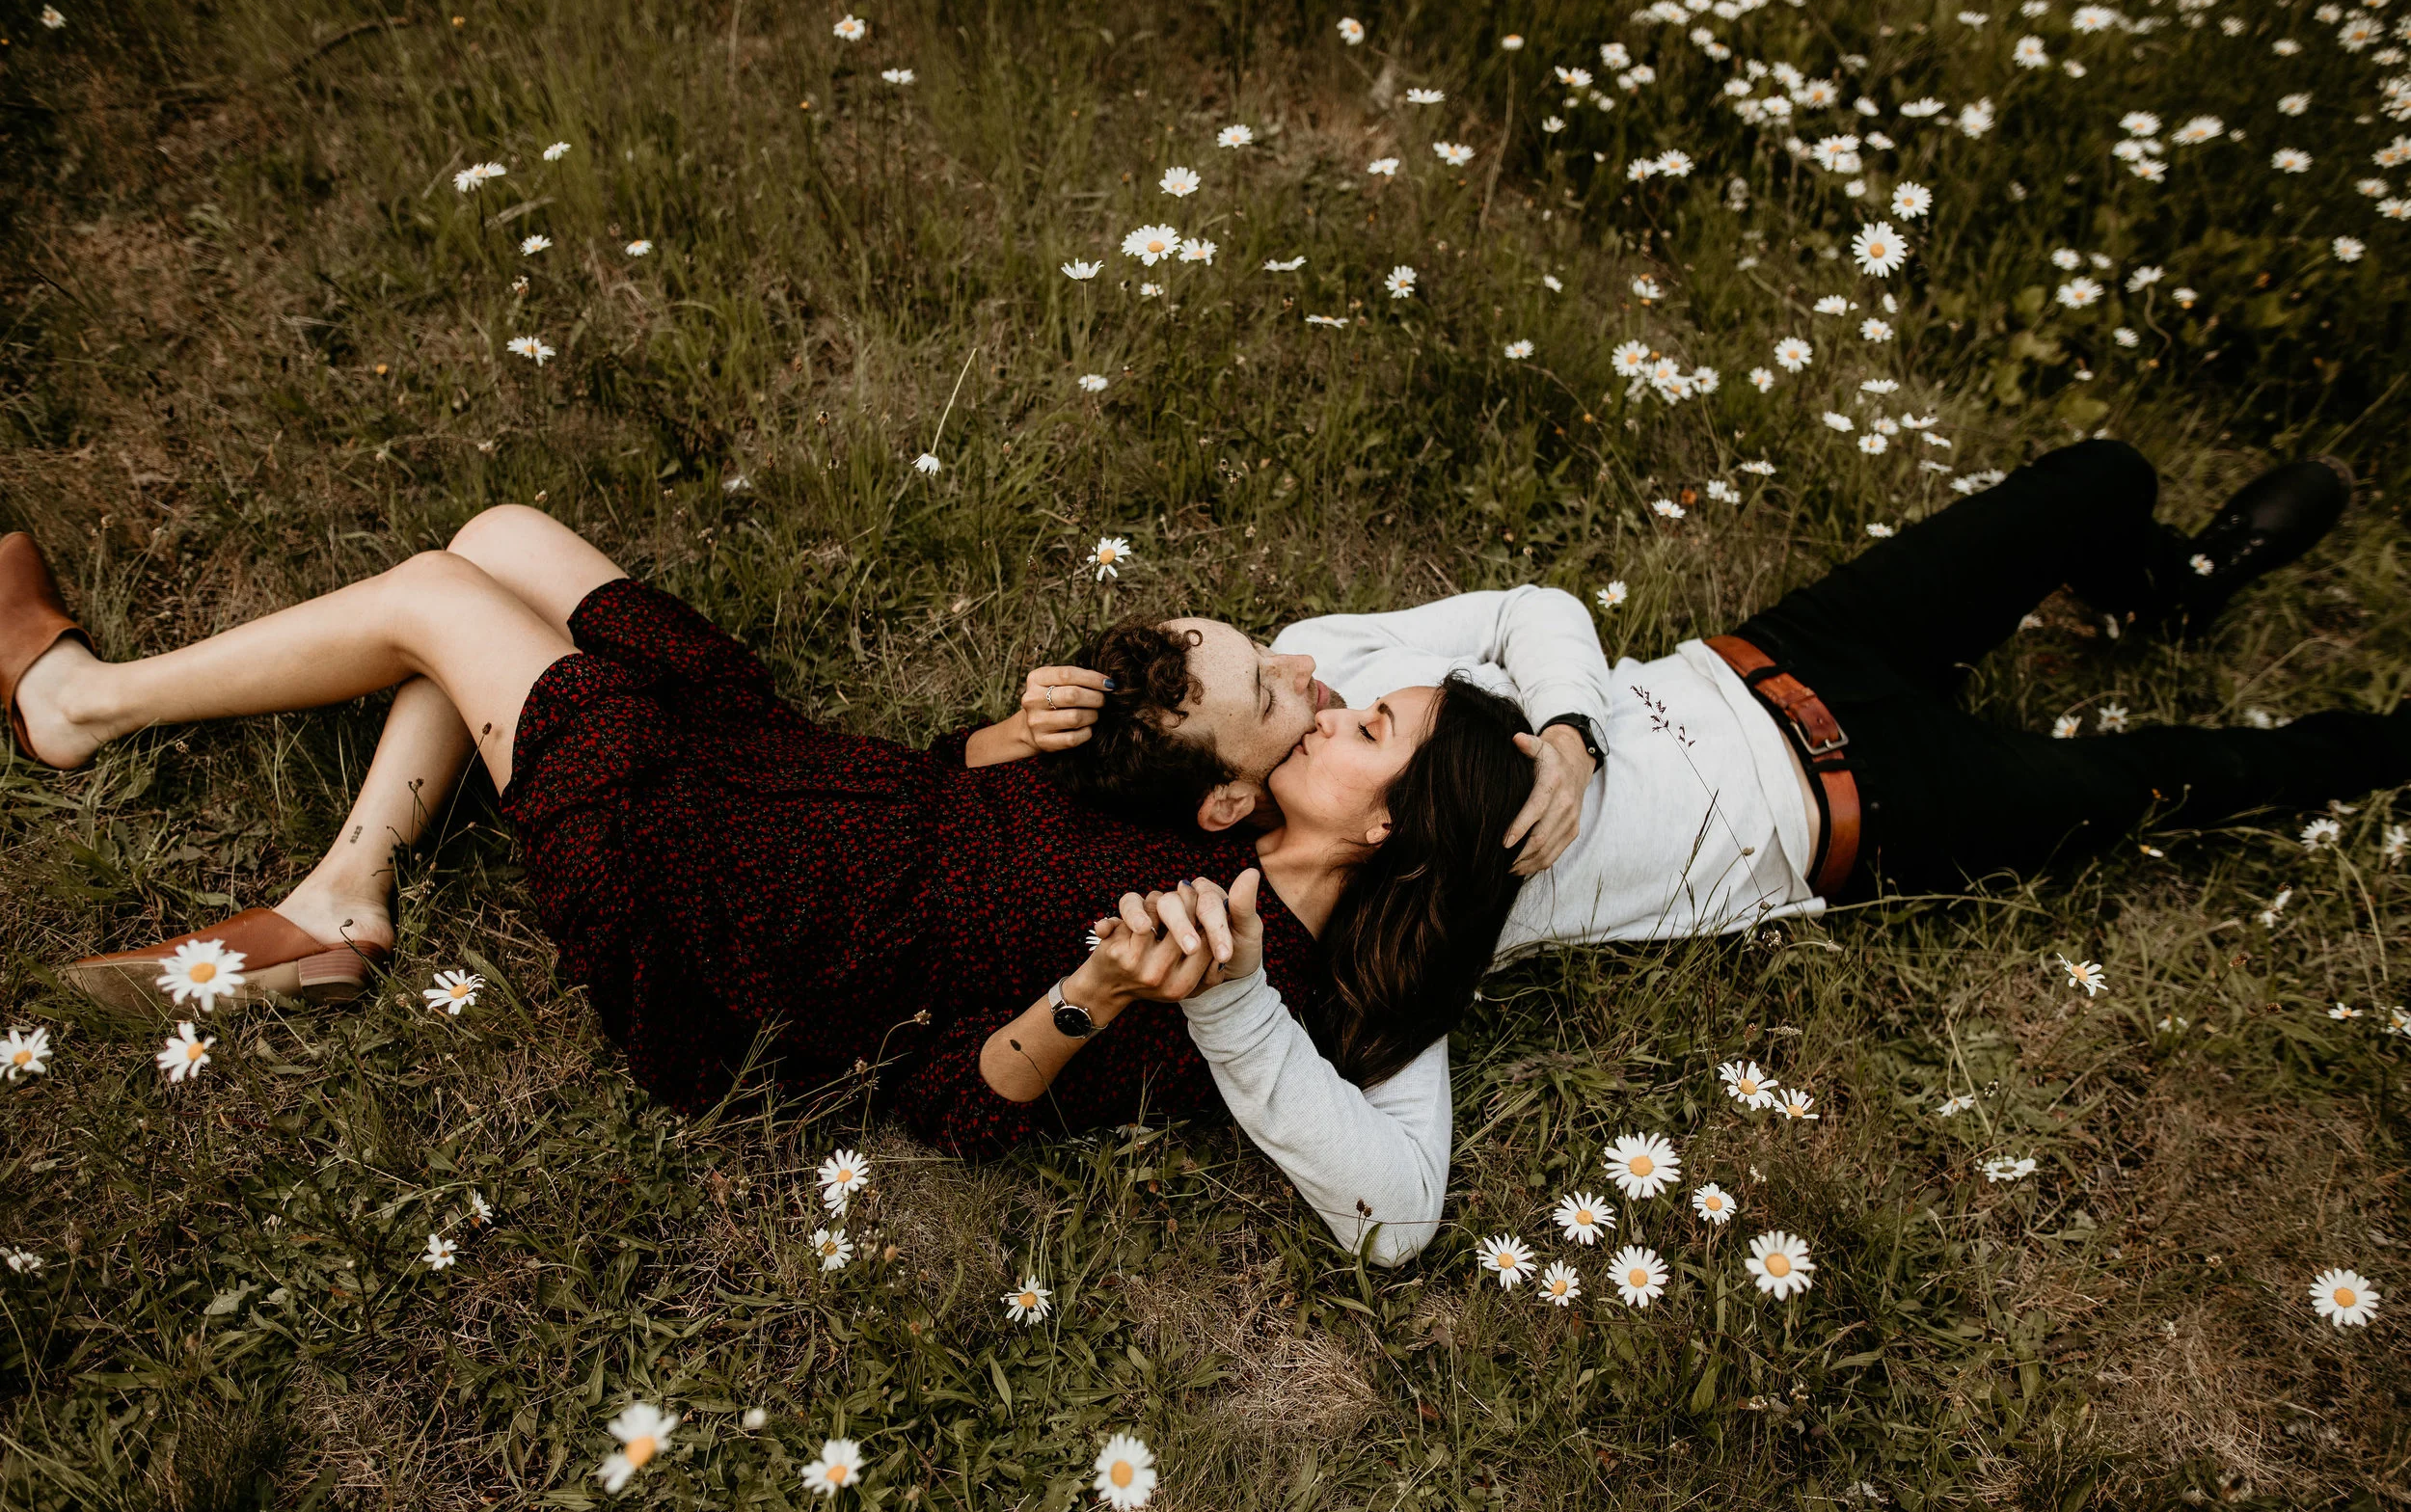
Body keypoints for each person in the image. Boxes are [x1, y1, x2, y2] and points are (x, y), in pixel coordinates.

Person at [970, 441, 2402, 1262]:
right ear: (1232, 799)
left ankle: (2174, 589)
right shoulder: (1382, 915)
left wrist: (1577, 730)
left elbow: (1531, 609)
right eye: (1283, 707)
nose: (1313, 674)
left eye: (1283, 659)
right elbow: (1392, 1201)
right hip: (1881, 802)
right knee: (2175, 777)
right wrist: (1230, 1009)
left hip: (1781, 655)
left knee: (2104, 474)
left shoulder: (1338, 669)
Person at [0, 509, 1533, 1270]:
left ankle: (79, 702)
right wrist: (1028, 727)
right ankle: (345, 892)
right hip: (816, 782)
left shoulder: (1229, 955)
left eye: (1366, 726)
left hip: (748, 903)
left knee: (431, 596)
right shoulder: (1227, 809)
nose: (1331, 689)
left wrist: (1100, 995)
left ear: (1399, 832)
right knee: (499, 538)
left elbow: (954, 1098)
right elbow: (975, 794)